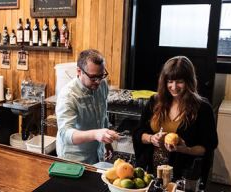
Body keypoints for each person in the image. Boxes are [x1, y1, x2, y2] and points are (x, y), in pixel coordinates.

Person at [132, 56, 218, 185]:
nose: (174, 87)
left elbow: (208, 146)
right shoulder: (154, 102)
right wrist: (151, 138)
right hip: (149, 172)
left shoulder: (202, 108)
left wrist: (185, 149)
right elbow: (138, 132)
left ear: (189, 81)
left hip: (181, 174)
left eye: (179, 81)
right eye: (170, 81)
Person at [56, 49, 119, 164]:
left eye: (101, 76)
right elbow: (65, 134)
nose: (98, 81)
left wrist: (107, 143)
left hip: (96, 153)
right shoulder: (68, 95)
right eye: (93, 77)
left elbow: (103, 115)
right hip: (74, 159)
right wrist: (95, 134)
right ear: (79, 71)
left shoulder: (102, 84)